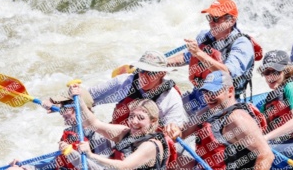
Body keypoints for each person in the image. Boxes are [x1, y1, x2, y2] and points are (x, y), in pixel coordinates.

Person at [51, 85, 176, 170]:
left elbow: (122, 167)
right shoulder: (124, 133)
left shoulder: (151, 145)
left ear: (153, 121)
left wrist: (91, 155)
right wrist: (79, 100)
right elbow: (92, 123)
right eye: (132, 116)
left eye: (140, 118)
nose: (134, 122)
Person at [164, 71, 274, 170]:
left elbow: (267, 155)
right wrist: (174, 130)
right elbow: (182, 133)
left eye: (214, 92)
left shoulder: (238, 119)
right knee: (168, 167)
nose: (209, 97)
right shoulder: (207, 112)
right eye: (206, 92)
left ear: (230, 90)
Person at [3, 88, 112, 170]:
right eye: (61, 107)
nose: (61, 112)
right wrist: (26, 166)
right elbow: (58, 164)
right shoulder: (70, 131)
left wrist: (72, 154)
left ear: (81, 108)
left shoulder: (100, 135)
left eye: (66, 108)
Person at [42, 51, 187, 127]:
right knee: (76, 116)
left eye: (149, 72)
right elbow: (89, 96)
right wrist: (58, 101)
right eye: (141, 70)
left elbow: (173, 131)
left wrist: (173, 130)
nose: (143, 75)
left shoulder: (171, 98)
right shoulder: (126, 81)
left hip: (145, 147)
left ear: (162, 73)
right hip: (117, 136)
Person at [167, 0, 260, 112]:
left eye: (216, 18)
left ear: (231, 21)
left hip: (223, 101)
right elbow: (186, 57)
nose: (211, 22)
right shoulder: (204, 36)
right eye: (209, 17)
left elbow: (227, 73)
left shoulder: (242, 44)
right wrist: (162, 62)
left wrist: (199, 53)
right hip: (198, 96)